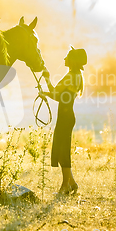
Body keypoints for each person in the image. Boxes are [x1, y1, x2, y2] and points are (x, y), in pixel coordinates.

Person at [40, 46, 87, 195]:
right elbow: (60, 96)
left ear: (72, 60)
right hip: (67, 117)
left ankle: (65, 185)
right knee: (62, 151)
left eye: (67, 57)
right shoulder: (77, 76)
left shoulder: (70, 76)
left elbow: (55, 93)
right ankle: (71, 183)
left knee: (62, 152)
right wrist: (46, 93)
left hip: (65, 118)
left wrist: (46, 79)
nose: (64, 59)